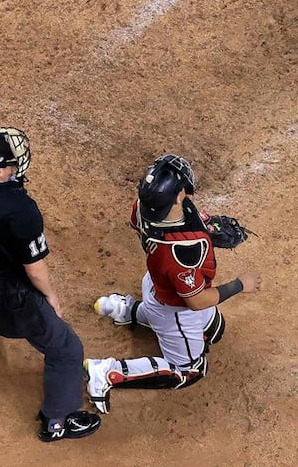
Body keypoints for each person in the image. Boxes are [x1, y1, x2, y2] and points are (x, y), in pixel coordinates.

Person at [0, 127, 101, 442]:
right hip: (12, 295)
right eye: (11, 163)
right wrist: (51, 298)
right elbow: (34, 269)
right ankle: (58, 420)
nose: (16, 165)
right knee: (66, 347)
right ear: (1, 171)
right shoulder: (21, 209)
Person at [85, 154, 262, 413]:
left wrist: (206, 228)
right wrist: (239, 285)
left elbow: (180, 219)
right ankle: (107, 372)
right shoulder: (181, 252)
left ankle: (127, 310)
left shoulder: (143, 208)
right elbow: (197, 300)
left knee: (215, 328)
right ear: (177, 196)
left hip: (156, 287)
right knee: (190, 370)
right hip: (176, 308)